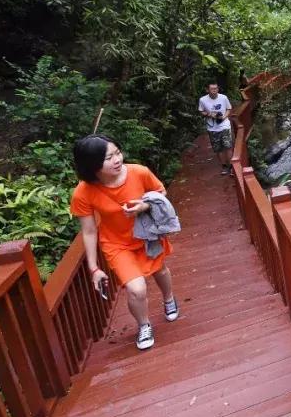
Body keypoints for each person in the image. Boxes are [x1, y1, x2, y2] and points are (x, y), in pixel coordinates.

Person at [71, 135, 178, 351]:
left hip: (147, 234)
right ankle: (144, 324)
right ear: (92, 164)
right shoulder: (83, 192)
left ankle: (169, 298)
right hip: (116, 244)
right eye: (108, 157)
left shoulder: (139, 172)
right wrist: (93, 268)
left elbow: (161, 193)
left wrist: (145, 206)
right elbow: (89, 231)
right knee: (136, 289)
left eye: (117, 153)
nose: (117, 159)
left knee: (160, 270)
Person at [198, 82, 233, 174]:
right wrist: (210, 114)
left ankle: (232, 166)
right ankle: (224, 166)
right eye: (212, 89)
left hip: (224, 125)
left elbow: (229, 109)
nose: (214, 91)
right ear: (207, 90)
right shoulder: (202, 100)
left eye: (216, 89)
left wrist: (224, 117)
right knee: (218, 149)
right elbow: (201, 111)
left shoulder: (223, 98)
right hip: (212, 127)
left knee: (228, 146)